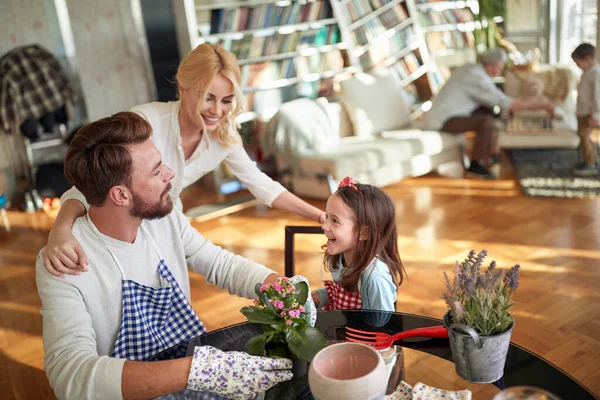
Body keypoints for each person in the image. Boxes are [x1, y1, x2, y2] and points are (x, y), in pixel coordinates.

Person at [35, 112, 318, 400]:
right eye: (157, 171)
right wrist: (196, 372)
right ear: (120, 196)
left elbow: (220, 264)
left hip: (192, 370)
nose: (170, 173)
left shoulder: (163, 218)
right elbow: (69, 374)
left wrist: (282, 287)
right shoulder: (64, 261)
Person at [44, 43, 326, 277]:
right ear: (182, 88)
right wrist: (60, 230)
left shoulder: (224, 137)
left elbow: (263, 186)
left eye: (227, 100)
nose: (217, 110)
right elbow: (89, 183)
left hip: (167, 218)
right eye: (208, 97)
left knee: (179, 291)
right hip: (123, 223)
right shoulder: (145, 122)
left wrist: (320, 216)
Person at [421, 48, 555, 178]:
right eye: (500, 66)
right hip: (442, 121)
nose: (501, 70)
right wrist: (543, 105)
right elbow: (509, 104)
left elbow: (495, 101)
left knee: (488, 110)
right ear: (491, 65)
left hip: (450, 115)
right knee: (485, 122)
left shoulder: (470, 69)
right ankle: (476, 165)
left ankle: (490, 155)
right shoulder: (476, 77)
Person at [310, 177, 406, 312]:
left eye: (335, 220)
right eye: (326, 216)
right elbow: (341, 294)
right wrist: (317, 296)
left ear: (363, 232)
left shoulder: (375, 279)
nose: (324, 226)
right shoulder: (339, 256)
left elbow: (382, 327)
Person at [571, 43, 600, 176]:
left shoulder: (596, 73)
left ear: (588, 59)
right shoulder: (587, 72)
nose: (577, 66)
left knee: (585, 137)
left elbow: (597, 96)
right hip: (582, 112)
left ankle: (590, 164)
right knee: (584, 137)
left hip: (589, 114)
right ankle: (590, 159)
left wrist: (596, 114)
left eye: (578, 63)